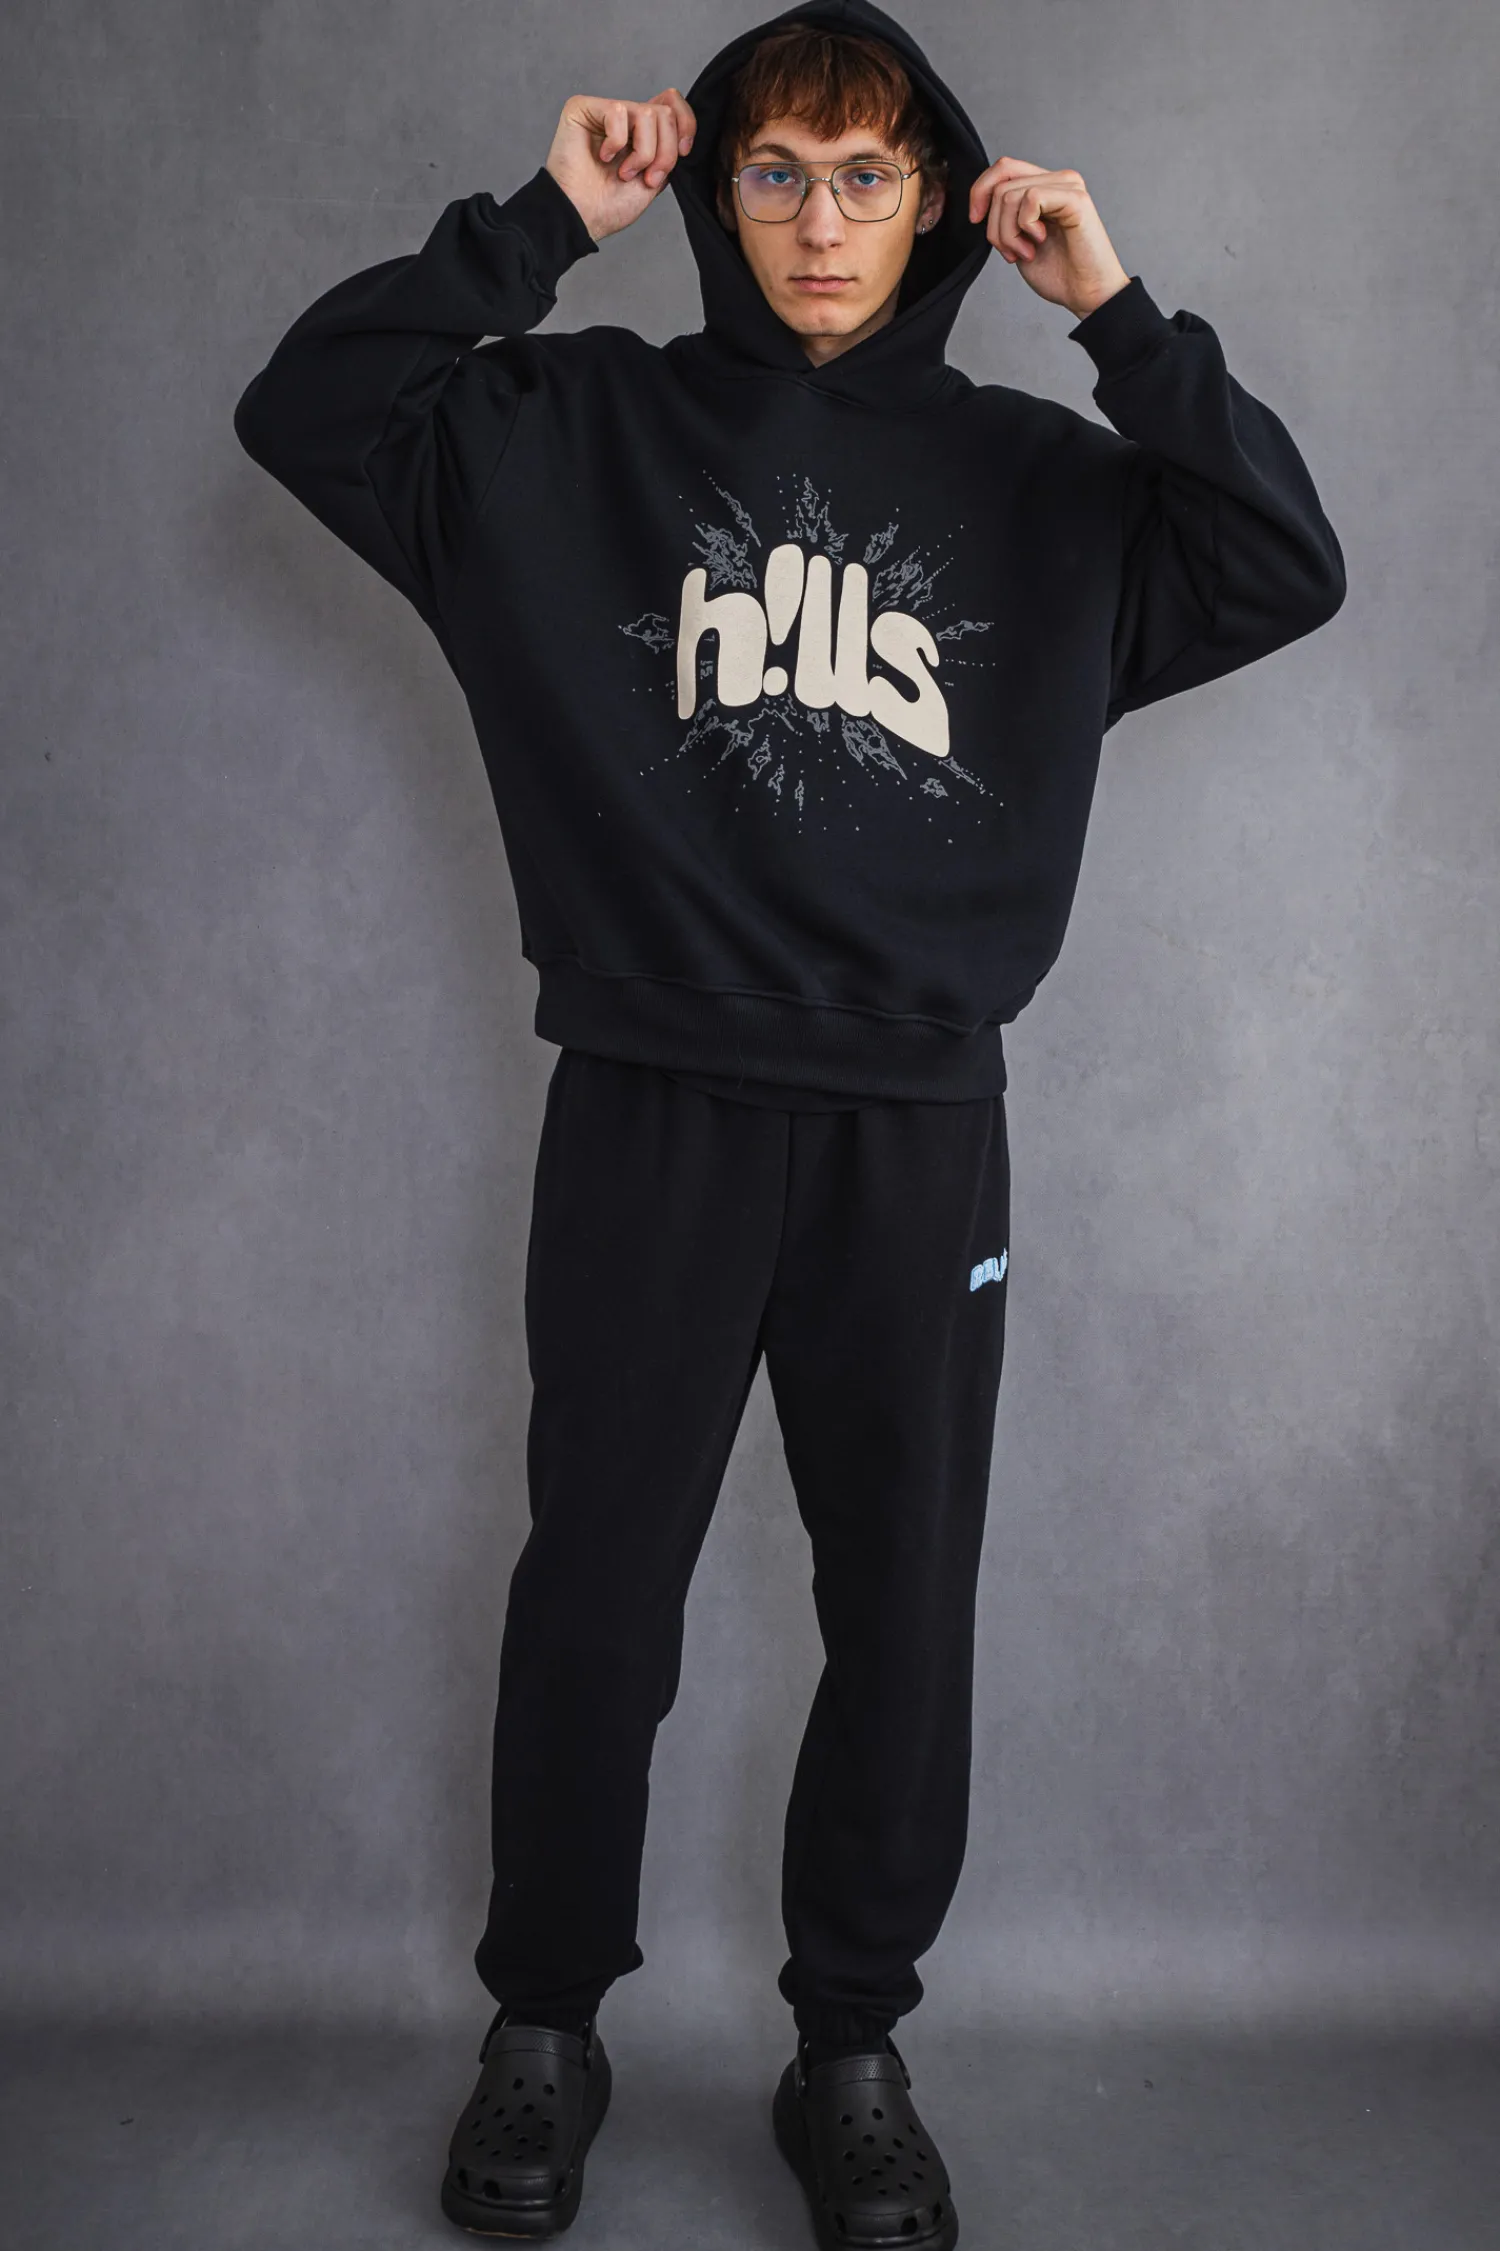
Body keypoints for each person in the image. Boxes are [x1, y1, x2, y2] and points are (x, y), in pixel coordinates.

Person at [231, 0, 1345, 2240]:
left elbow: (1279, 560)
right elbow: (308, 407)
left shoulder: (1047, 487)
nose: (820, 223)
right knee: (596, 1597)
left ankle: (853, 2047)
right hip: (649, 1105)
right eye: (772, 173)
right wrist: (541, 222)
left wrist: (1117, 316)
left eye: (864, 177)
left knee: (901, 1609)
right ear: (716, 194)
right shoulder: (573, 430)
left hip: (914, 1132)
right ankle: (544, 2025)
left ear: (934, 199)